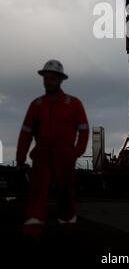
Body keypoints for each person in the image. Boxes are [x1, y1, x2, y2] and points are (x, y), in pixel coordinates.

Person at [16, 60, 89, 241]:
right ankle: (32, 233)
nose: (48, 81)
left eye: (52, 78)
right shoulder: (36, 105)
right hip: (42, 156)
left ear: (60, 80)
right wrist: (20, 158)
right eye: (46, 78)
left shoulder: (73, 104)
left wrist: (76, 152)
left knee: (66, 195)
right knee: (37, 194)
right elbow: (26, 133)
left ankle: (67, 230)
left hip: (64, 157)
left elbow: (84, 129)